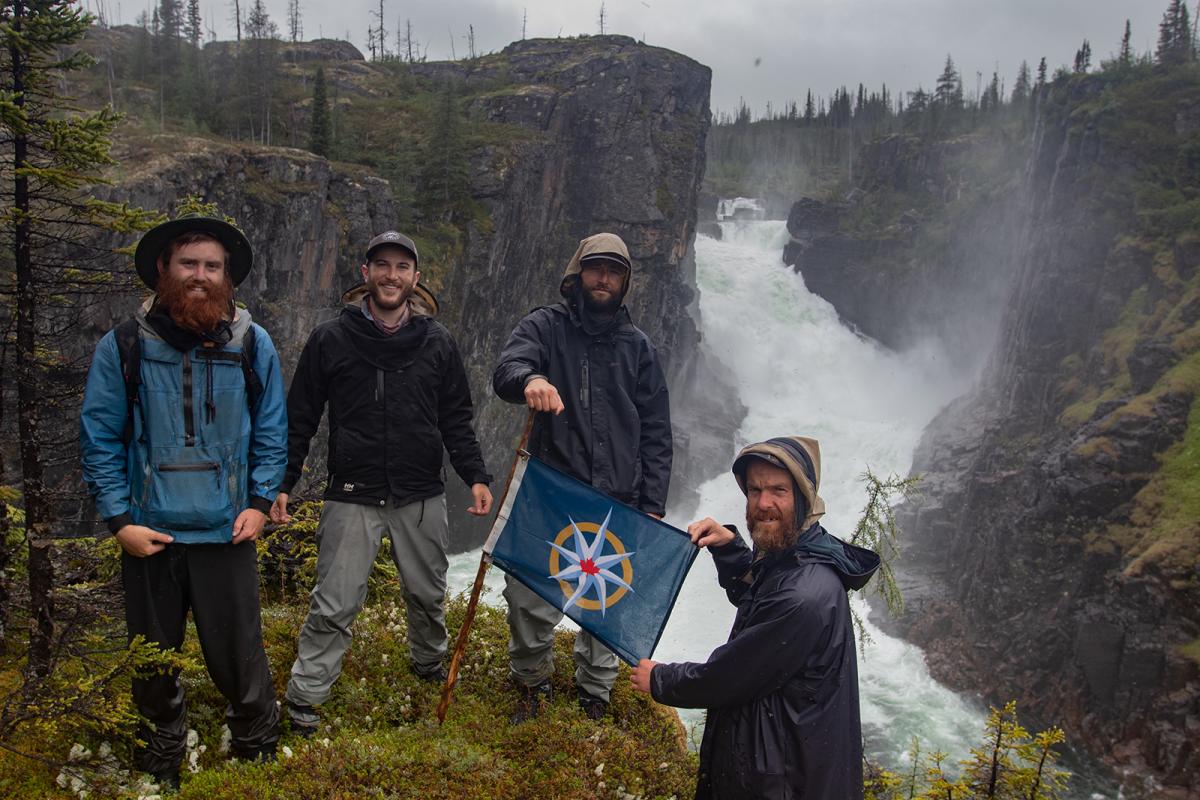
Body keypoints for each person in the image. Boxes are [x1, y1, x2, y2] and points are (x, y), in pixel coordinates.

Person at [80, 214, 287, 788]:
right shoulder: (124, 345)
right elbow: (100, 436)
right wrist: (120, 521)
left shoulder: (252, 343)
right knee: (152, 662)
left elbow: (272, 430)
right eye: (188, 263)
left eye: (212, 266)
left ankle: (257, 752)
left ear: (227, 277)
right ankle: (160, 762)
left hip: (228, 530)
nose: (200, 275)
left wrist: (259, 502)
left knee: (240, 655)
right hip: (151, 534)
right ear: (163, 269)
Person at [271, 230, 493, 736]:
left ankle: (427, 664)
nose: (392, 276)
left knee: (427, 595)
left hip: (421, 493)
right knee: (335, 601)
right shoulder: (331, 338)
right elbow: (300, 416)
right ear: (365, 273)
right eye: (382, 265)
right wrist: (283, 482)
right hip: (353, 491)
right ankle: (307, 696)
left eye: (402, 267)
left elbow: (456, 418)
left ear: (416, 278)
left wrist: (476, 476)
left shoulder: (438, 342)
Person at [630, 436, 881, 799]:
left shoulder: (803, 595)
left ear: (803, 496)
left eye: (779, 490)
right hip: (784, 761)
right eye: (754, 490)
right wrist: (729, 549)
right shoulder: (798, 555)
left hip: (781, 782)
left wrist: (660, 679)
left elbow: (730, 676)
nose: (763, 503)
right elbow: (759, 599)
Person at [492, 231, 672, 722]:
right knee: (530, 592)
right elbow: (508, 368)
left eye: (615, 271)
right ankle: (531, 682)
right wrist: (531, 378)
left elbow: (657, 431)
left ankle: (595, 692)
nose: (604, 278)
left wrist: (653, 504)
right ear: (579, 272)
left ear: (625, 281)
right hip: (551, 492)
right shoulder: (545, 327)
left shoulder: (639, 348)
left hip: (619, 499)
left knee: (608, 599)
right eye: (596, 268)